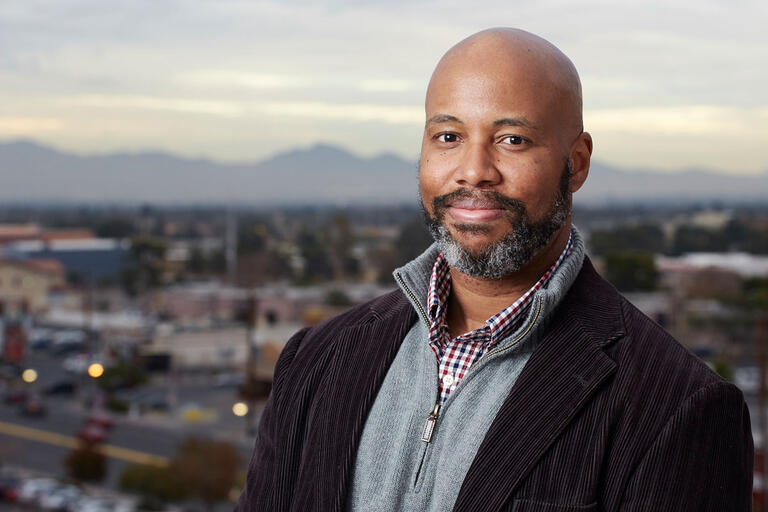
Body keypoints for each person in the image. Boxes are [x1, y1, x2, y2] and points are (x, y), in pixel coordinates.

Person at [236, 28, 753, 511]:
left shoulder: (677, 407)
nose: (473, 171)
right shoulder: (317, 359)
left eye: (512, 140)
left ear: (577, 162)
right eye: (447, 137)